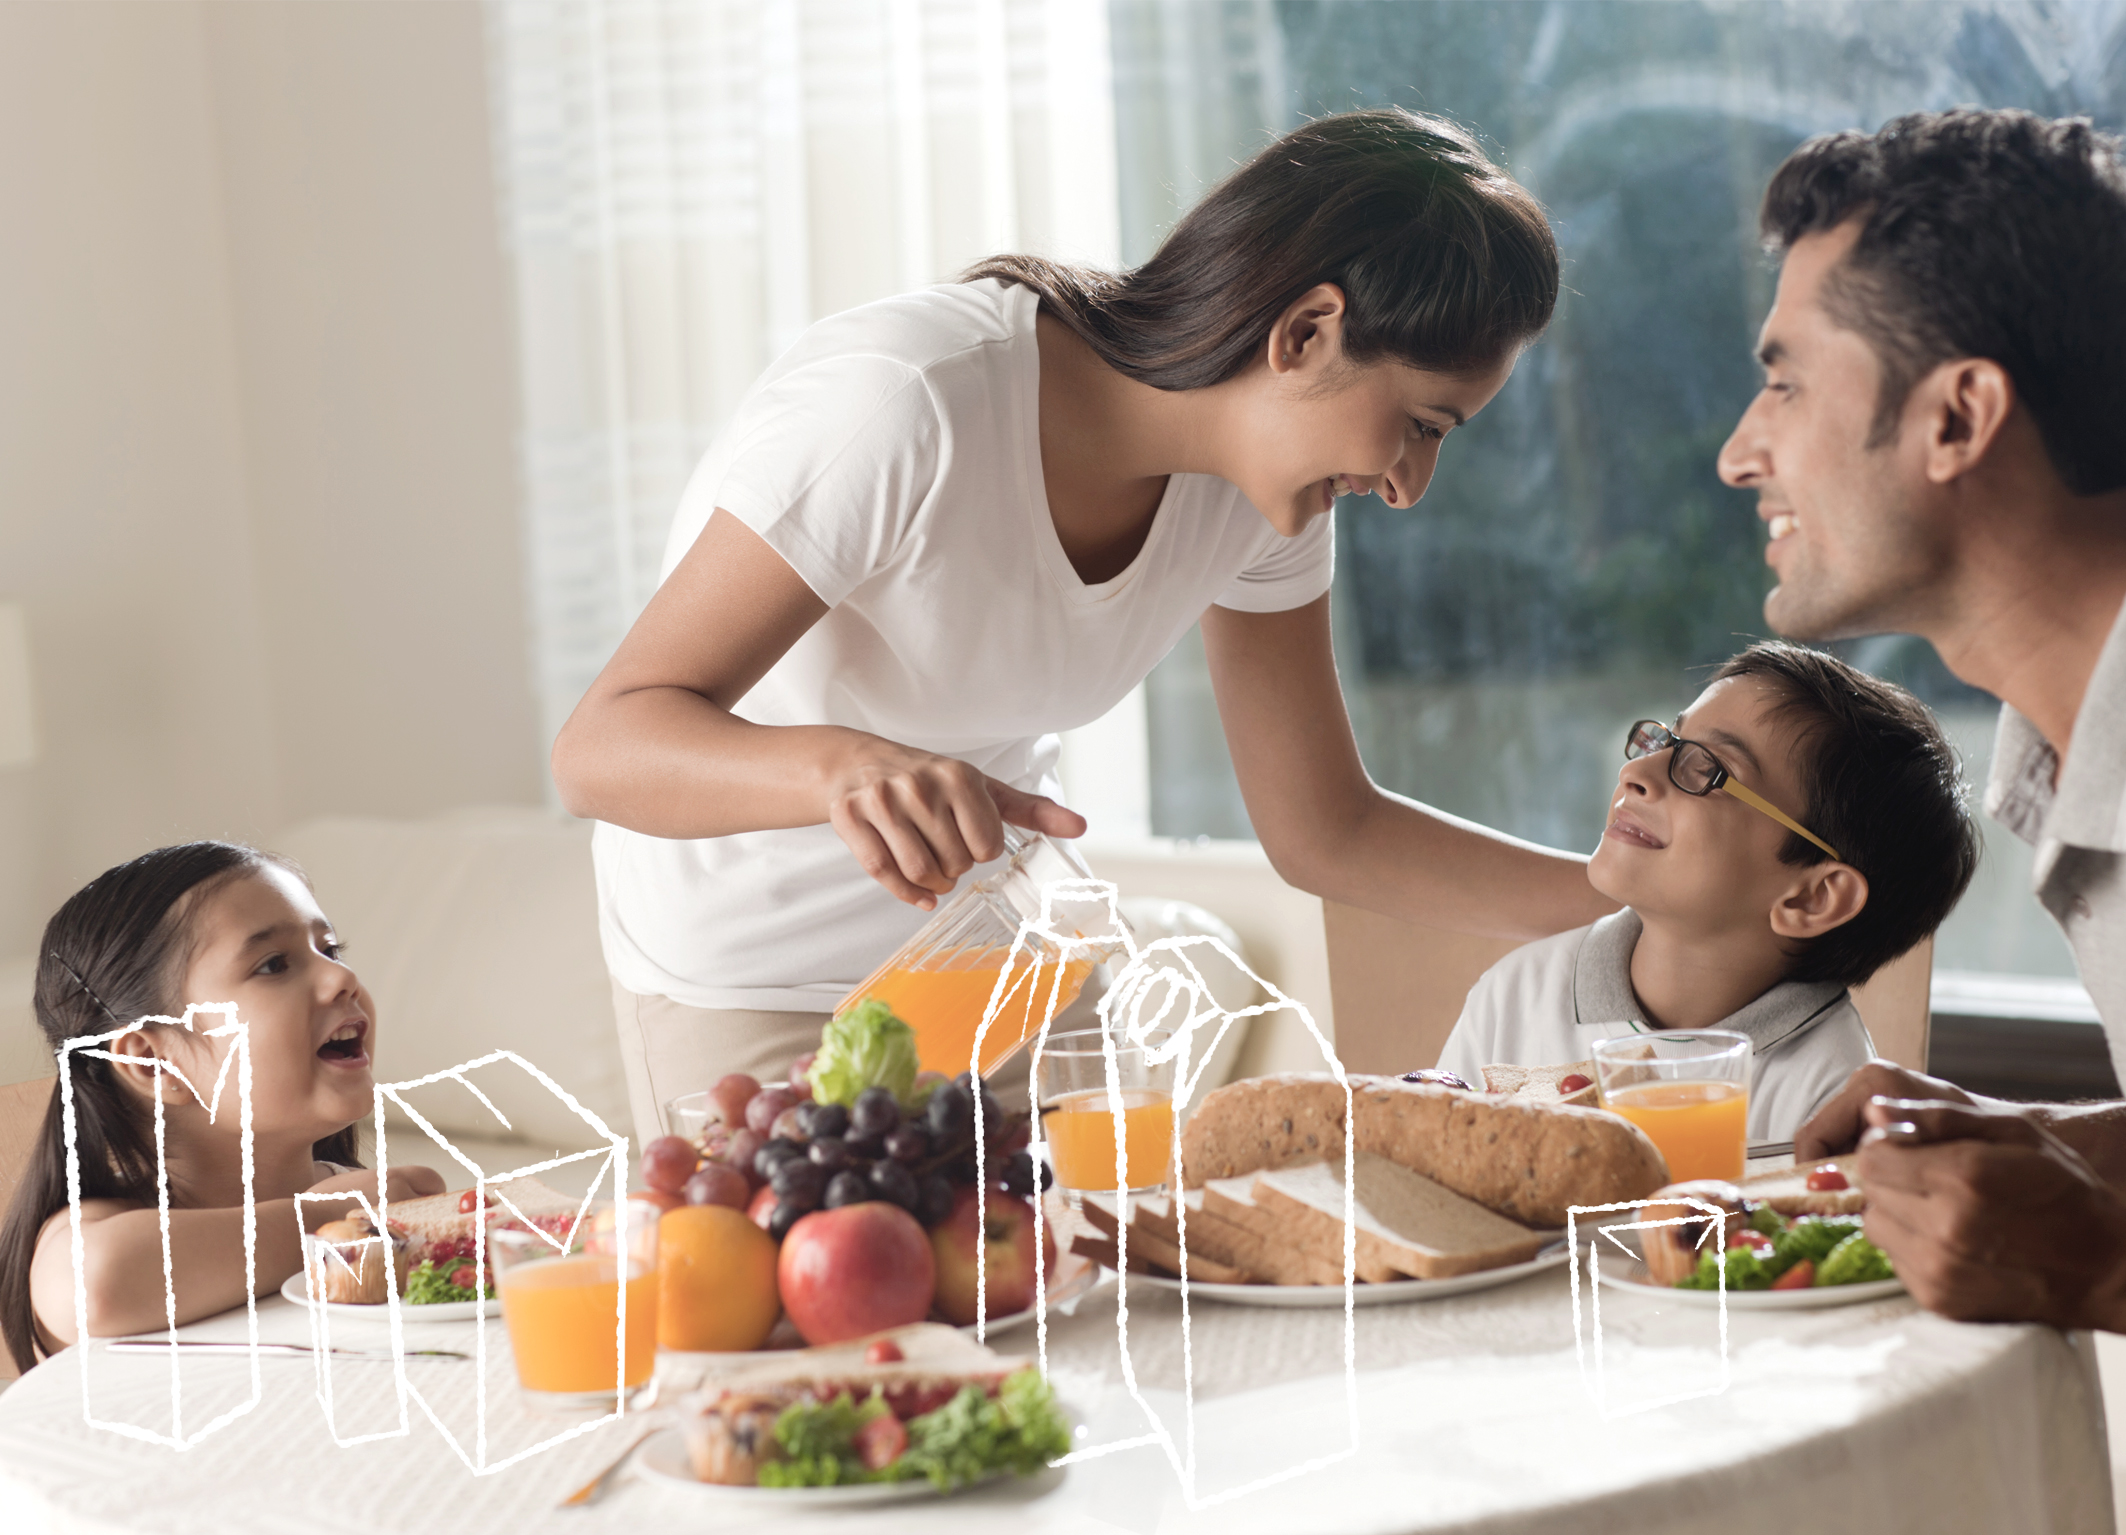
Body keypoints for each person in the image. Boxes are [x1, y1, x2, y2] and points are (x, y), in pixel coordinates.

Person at [552, 108, 1617, 1152]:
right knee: (832, 1322)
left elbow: (1325, 828)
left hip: (994, 961)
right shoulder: (908, 404)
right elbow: (602, 745)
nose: (1407, 485)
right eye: (1419, 424)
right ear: (1305, 333)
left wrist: (1638, 901)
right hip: (755, 974)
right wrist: (843, 766)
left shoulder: (1262, 502)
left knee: (1096, 1301)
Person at [1716, 108, 2126, 1326]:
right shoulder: (2060, 745)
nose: (1741, 454)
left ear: (1955, 416)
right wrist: (2055, 1148)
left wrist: (2102, 1260)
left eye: (1782, 383)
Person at [1437, 642, 1977, 1140]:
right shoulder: (1515, 996)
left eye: (1708, 768)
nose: (1637, 770)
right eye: (1668, 740)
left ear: (1813, 897)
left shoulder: (1831, 1098)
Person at [0, 843, 445, 1375]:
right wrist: (326, 1220)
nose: (341, 978)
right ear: (154, 1064)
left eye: (330, 949)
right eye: (274, 964)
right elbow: (99, 1283)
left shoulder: (352, 1197)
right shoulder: (103, 1229)